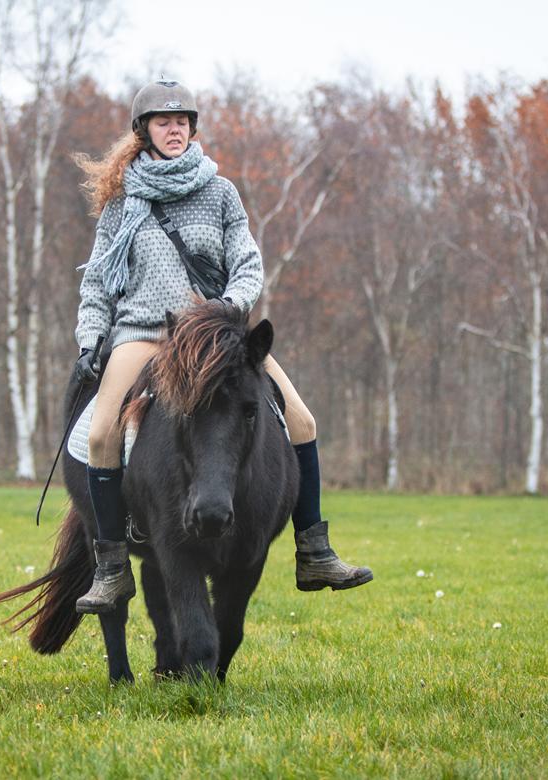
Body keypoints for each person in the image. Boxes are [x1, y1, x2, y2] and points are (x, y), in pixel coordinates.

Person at [72, 79, 373, 614]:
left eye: (182, 121)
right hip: (143, 334)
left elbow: (248, 264)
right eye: (163, 122)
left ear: (192, 128)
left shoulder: (220, 193)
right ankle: (112, 567)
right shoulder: (122, 201)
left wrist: (227, 312)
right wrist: (91, 338)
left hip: (214, 336)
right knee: (100, 435)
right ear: (143, 131)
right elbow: (97, 281)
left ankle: (314, 550)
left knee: (303, 421)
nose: (174, 130)